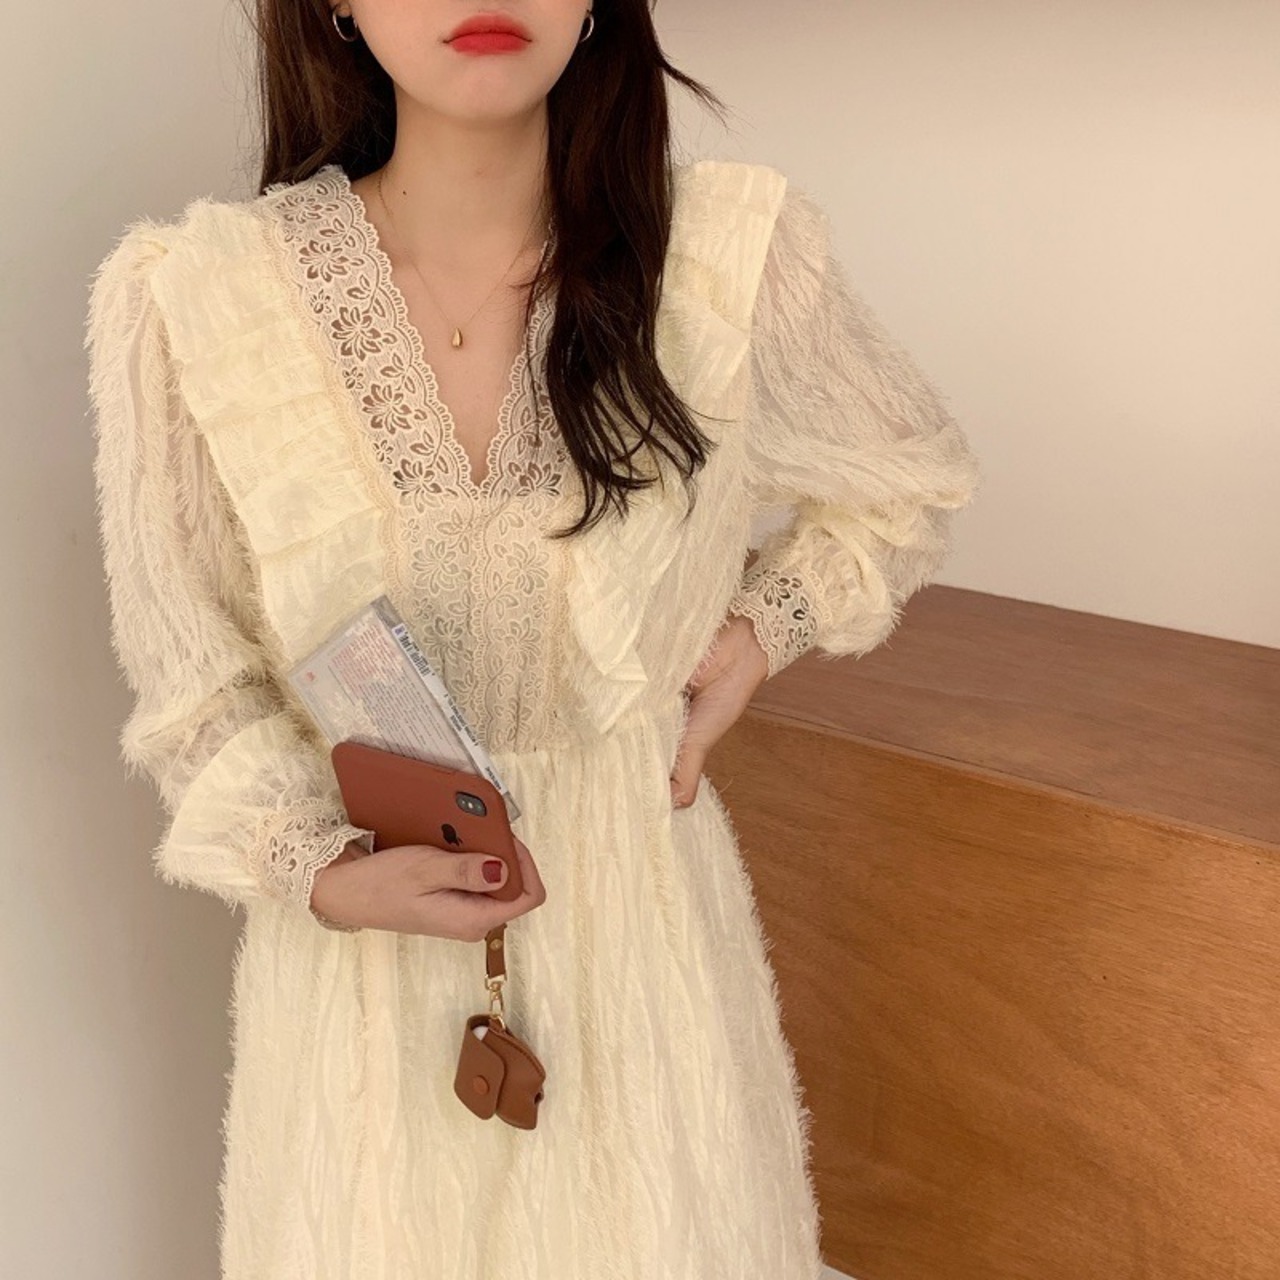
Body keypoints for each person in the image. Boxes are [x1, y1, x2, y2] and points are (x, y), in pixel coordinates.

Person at [86, 1, 982, 1276]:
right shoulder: (199, 297)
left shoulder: (723, 256)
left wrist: (754, 631)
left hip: (644, 959)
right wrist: (318, 866)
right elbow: (193, 677)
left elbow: (903, 482)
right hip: (363, 1000)